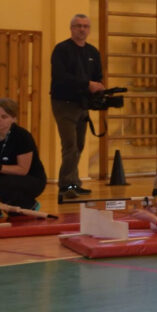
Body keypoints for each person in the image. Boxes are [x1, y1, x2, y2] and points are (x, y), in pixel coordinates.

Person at [50, 14, 105, 201]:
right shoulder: (62, 50)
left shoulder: (92, 52)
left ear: (89, 30)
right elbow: (61, 77)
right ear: (71, 28)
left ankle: (74, 183)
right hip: (64, 103)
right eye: (78, 26)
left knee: (79, 145)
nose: (82, 29)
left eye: (85, 26)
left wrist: (98, 88)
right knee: (70, 145)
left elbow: (98, 76)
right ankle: (65, 186)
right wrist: (87, 84)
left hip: (83, 104)